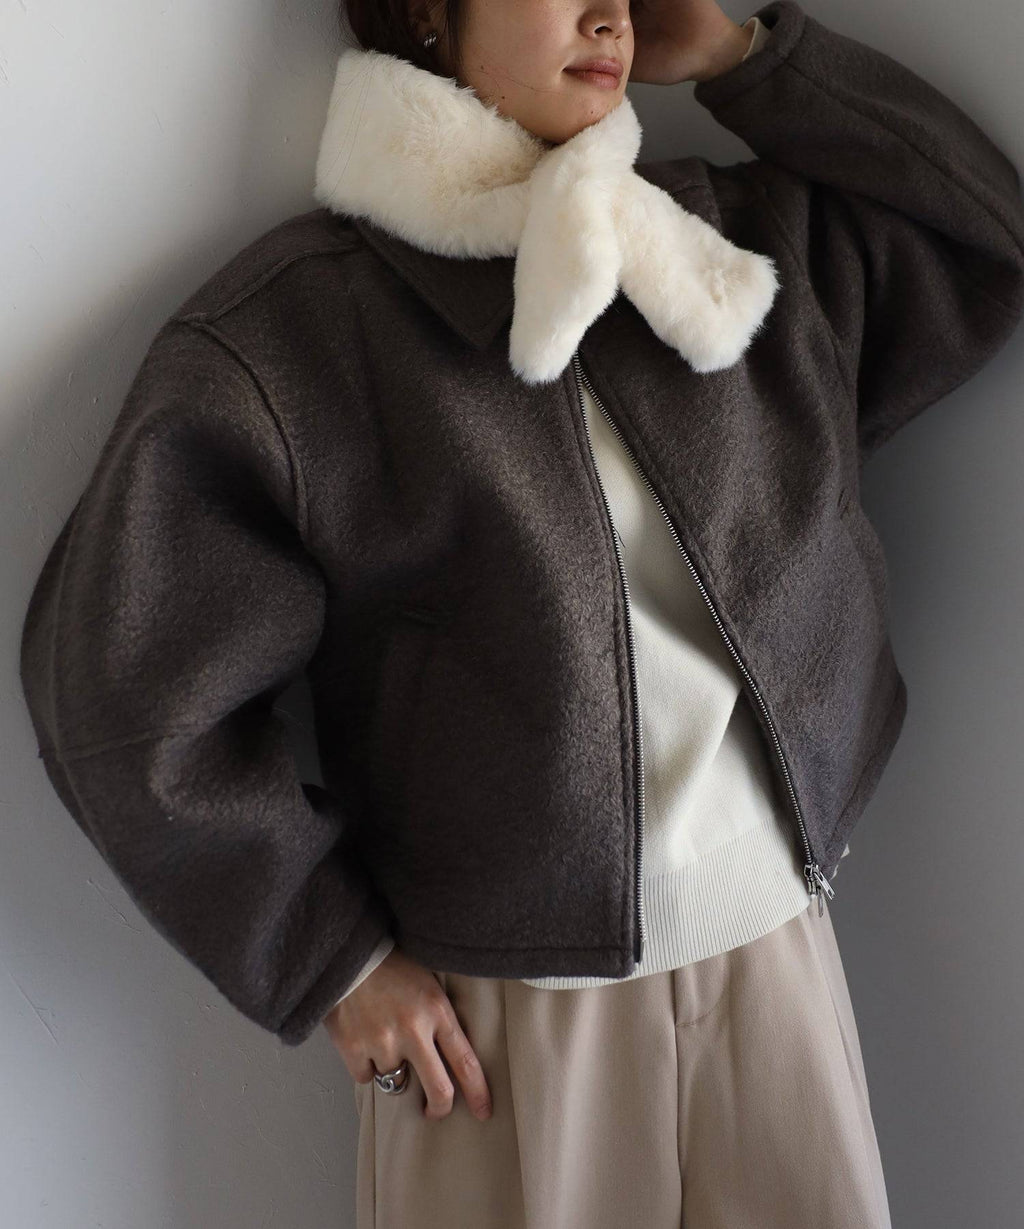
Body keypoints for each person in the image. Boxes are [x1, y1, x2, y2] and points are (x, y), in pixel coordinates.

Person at [18, 0, 1024, 1225]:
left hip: (776, 961)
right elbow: (120, 691)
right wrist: (327, 956)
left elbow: (984, 236)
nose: (609, 12)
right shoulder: (302, 337)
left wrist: (745, 58)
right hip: (500, 1036)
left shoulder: (720, 247)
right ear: (426, 12)